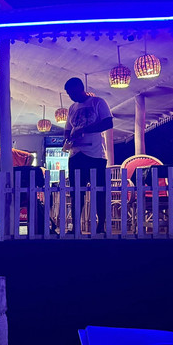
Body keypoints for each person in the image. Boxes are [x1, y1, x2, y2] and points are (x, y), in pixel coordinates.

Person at [63, 77, 113, 233]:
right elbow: (67, 129)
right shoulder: (72, 108)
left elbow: (108, 123)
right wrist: (67, 139)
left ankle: (101, 225)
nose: (71, 96)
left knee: (99, 191)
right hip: (75, 153)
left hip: (95, 154)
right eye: (68, 94)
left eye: (72, 93)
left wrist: (84, 130)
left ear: (80, 88)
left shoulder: (98, 102)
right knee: (76, 192)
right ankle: (76, 227)